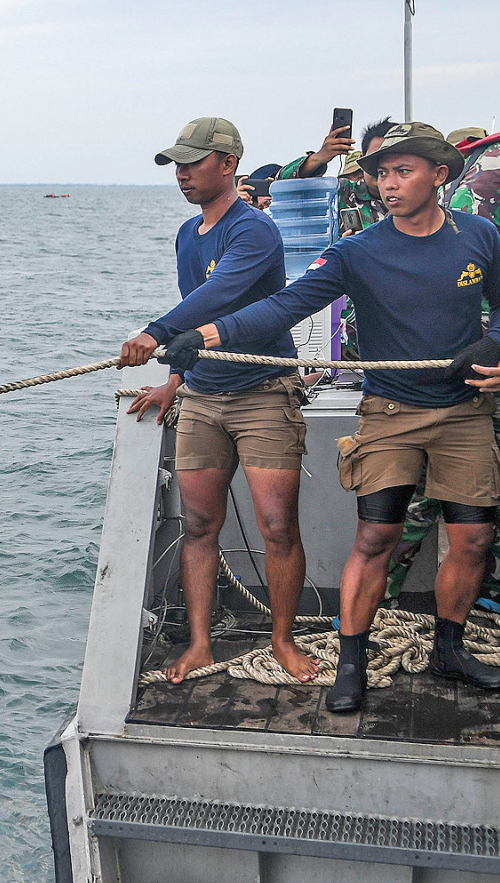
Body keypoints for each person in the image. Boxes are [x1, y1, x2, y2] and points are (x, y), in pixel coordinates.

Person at [167, 122, 500, 713]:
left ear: (440, 175)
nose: (387, 184)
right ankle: (352, 661)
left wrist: (497, 342)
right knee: (375, 537)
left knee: (473, 538)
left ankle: (449, 648)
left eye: (402, 171)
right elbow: (285, 304)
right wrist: (203, 336)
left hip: (466, 410)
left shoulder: (480, 237)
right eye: (381, 173)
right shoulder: (358, 251)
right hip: (390, 411)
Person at [118, 116, 319, 685]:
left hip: (262, 393)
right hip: (203, 396)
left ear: (227, 164)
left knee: (278, 526)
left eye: (192, 163)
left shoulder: (254, 230)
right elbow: (197, 315)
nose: (181, 175)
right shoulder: (187, 234)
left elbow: (221, 294)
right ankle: (200, 643)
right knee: (200, 523)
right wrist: (175, 380)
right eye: (177, 165)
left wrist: (153, 333)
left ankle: (283, 640)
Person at [387, 77, 500, 615]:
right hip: (494, 351)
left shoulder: (486, 162)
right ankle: (385, 598)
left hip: (477, 344)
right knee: (448, 484)